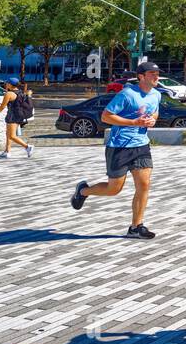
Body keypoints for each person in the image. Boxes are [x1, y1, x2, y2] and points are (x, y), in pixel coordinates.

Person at [69, 59, 161, 238]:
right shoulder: (127, 94)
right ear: (141, 76)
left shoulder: (156, 94)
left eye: (157, 74)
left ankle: (136, 227)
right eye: (152, 74)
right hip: (119, 146)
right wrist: (133, 122)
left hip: (141, 145)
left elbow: (154, 111)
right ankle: (83, 191)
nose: (156, 76)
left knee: (144, 185)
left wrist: (152, 120)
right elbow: (106, 116)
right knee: (114, 189)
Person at [0, 77, 35, 158]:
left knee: (12, 136)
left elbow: (2, 106)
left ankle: (27, 147)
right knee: (8, 134)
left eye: (7, 83)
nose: (6, 84)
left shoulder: (9, 94)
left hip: (13, 116)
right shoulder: (20, 92)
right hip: (18, 115)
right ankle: (7, 151)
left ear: (10, 84)